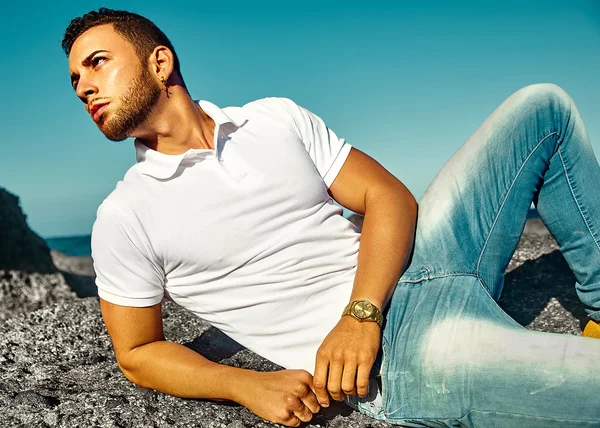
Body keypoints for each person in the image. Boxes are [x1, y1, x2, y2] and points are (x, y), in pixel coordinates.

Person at [63, 8, 600, 428]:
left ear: (159, 63)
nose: (84, 87)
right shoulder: (125, 214)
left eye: (98, 63)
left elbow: (387, 196)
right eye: (75, 81)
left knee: (543, 106)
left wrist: (360, 313)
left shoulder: (273, 118)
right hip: (402, 358)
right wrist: (244, 385)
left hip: (418, 267)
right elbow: (137, 352)